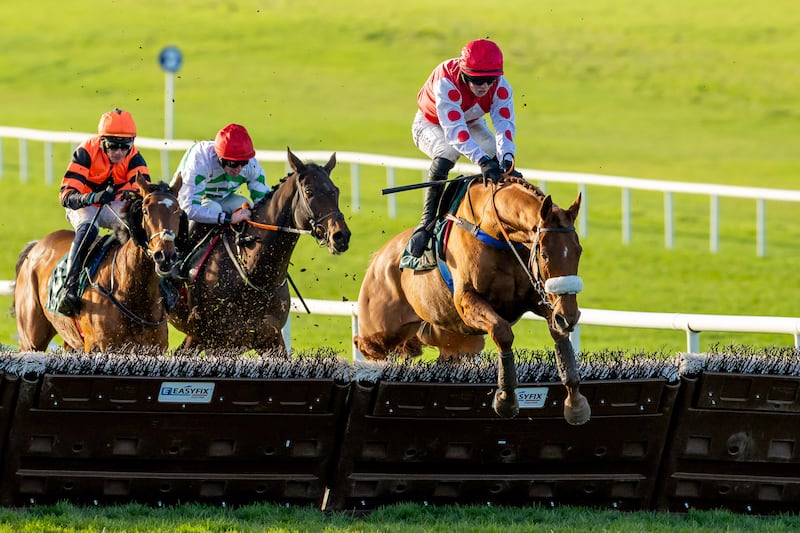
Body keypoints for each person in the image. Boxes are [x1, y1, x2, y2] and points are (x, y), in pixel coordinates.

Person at [406, 38, 519, 257]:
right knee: (448, 152)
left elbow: (504, 127)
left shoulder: (501, 87)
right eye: (478, 81)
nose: (484, 86)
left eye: (490, 80)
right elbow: (455, 133)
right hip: (431, 123)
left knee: (499, 159)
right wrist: (483, 162)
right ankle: (426, 224)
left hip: (471, 121)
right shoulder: (446, 82)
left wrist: (506, 159)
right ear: (464, 73)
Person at [57, 108, 152, 316]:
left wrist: (129, 194)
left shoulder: (134, 156)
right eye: (113, 146)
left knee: (138, 225)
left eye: (124, 147)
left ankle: (159, 286)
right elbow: (66, 196)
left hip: (113, 201)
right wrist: (92, 198)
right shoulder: (85, 152)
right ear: (102, 141)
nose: (119, 152)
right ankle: (70, 288)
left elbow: (144, 190)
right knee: (89, 228)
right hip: (84, 203)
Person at [170, 123, 269, 238]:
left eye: (243, 162)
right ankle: (184, 251)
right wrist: (227, 218)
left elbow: (264, 202)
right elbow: (188, 207)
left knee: (247, 208)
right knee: (213, 208)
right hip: (186, 203)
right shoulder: (200, 160)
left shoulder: (251, 165)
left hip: (222, 199)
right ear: (220, 157)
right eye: (233, 163)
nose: (239, 169)